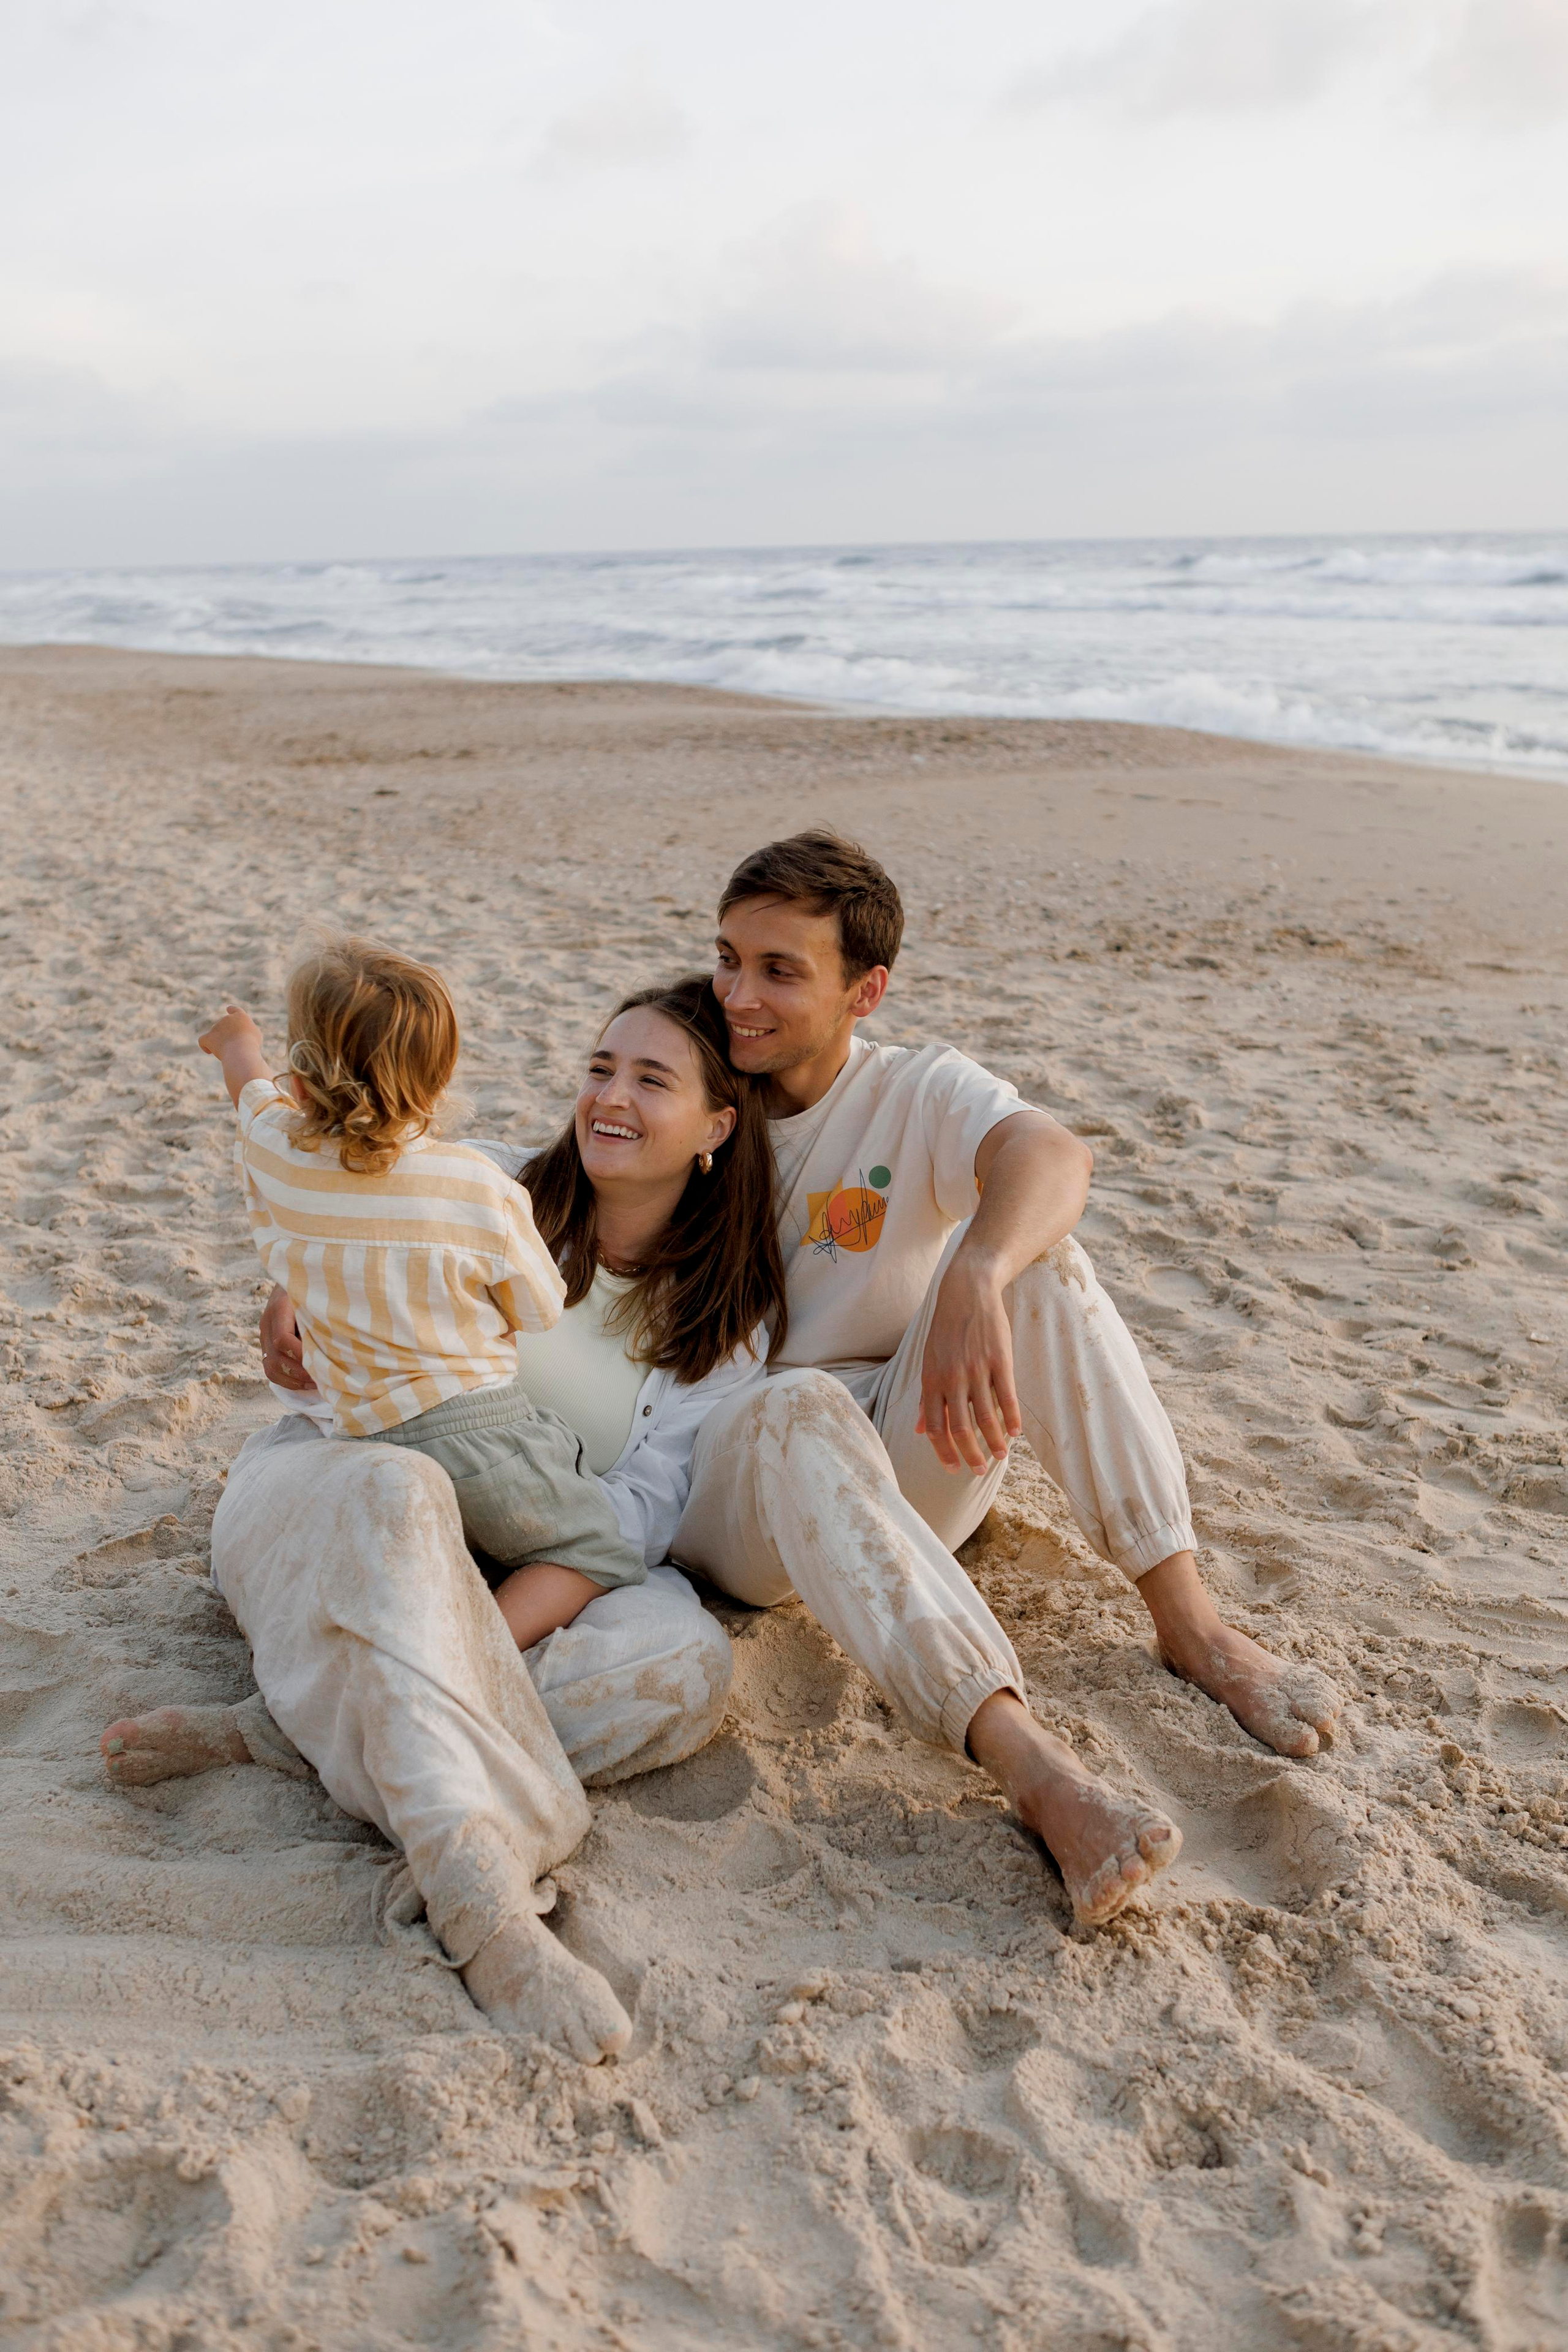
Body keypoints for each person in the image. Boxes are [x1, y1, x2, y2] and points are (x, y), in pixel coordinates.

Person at [673, 831, 1342, 1784]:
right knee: (796, 1406)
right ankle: (1014, 1746)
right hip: (739, 1490)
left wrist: (977, 1268)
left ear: (866, 991)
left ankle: (1193, 1626)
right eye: (729, 960)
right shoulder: (695, 1073)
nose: (738, 997)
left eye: (779, 971)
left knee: (1045, 1267)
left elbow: (1055, 1154)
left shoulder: (913, 1088)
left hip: (897, 1456)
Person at [198, 938, 647, 1653]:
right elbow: (539, 1307)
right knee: (594, 1551)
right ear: (439, 1082)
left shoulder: (277, 1155)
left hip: (362, 1437)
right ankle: (480, 1649)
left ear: (305, 1085)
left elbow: (250, 1090)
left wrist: (235, 1042)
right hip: (482, 1436)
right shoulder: (477, 1187)